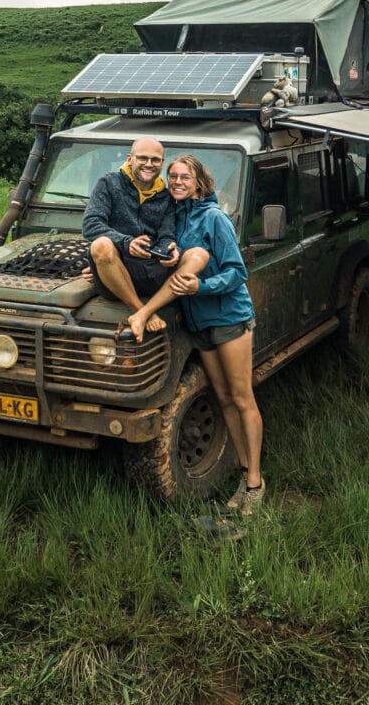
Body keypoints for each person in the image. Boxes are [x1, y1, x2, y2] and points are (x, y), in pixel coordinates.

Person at [127, 154, 264, 517]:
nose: (177, 181)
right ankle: (242, 472)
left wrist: (201, 286)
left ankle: (255, 483)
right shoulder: (174, 216)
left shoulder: (214, 217)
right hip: (198, 323)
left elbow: (237, 272)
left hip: (228, 316)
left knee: (241, 397)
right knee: (223, 398)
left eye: (184, 177)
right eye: (172, 176)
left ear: (199, 182)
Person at [82, 138, 209, 334]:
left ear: (162, 163)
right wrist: (126, 242)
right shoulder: (108, 183)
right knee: (101, 245)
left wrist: (170, 249)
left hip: (151, 270)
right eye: (143, 158)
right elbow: (91, 225)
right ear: (130, 159)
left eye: (155, 160)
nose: (149, 164)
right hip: (118, 271)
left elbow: (167, 234)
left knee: (199, 255)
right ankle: (140, 310)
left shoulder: (166, 196)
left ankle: (143, 314)